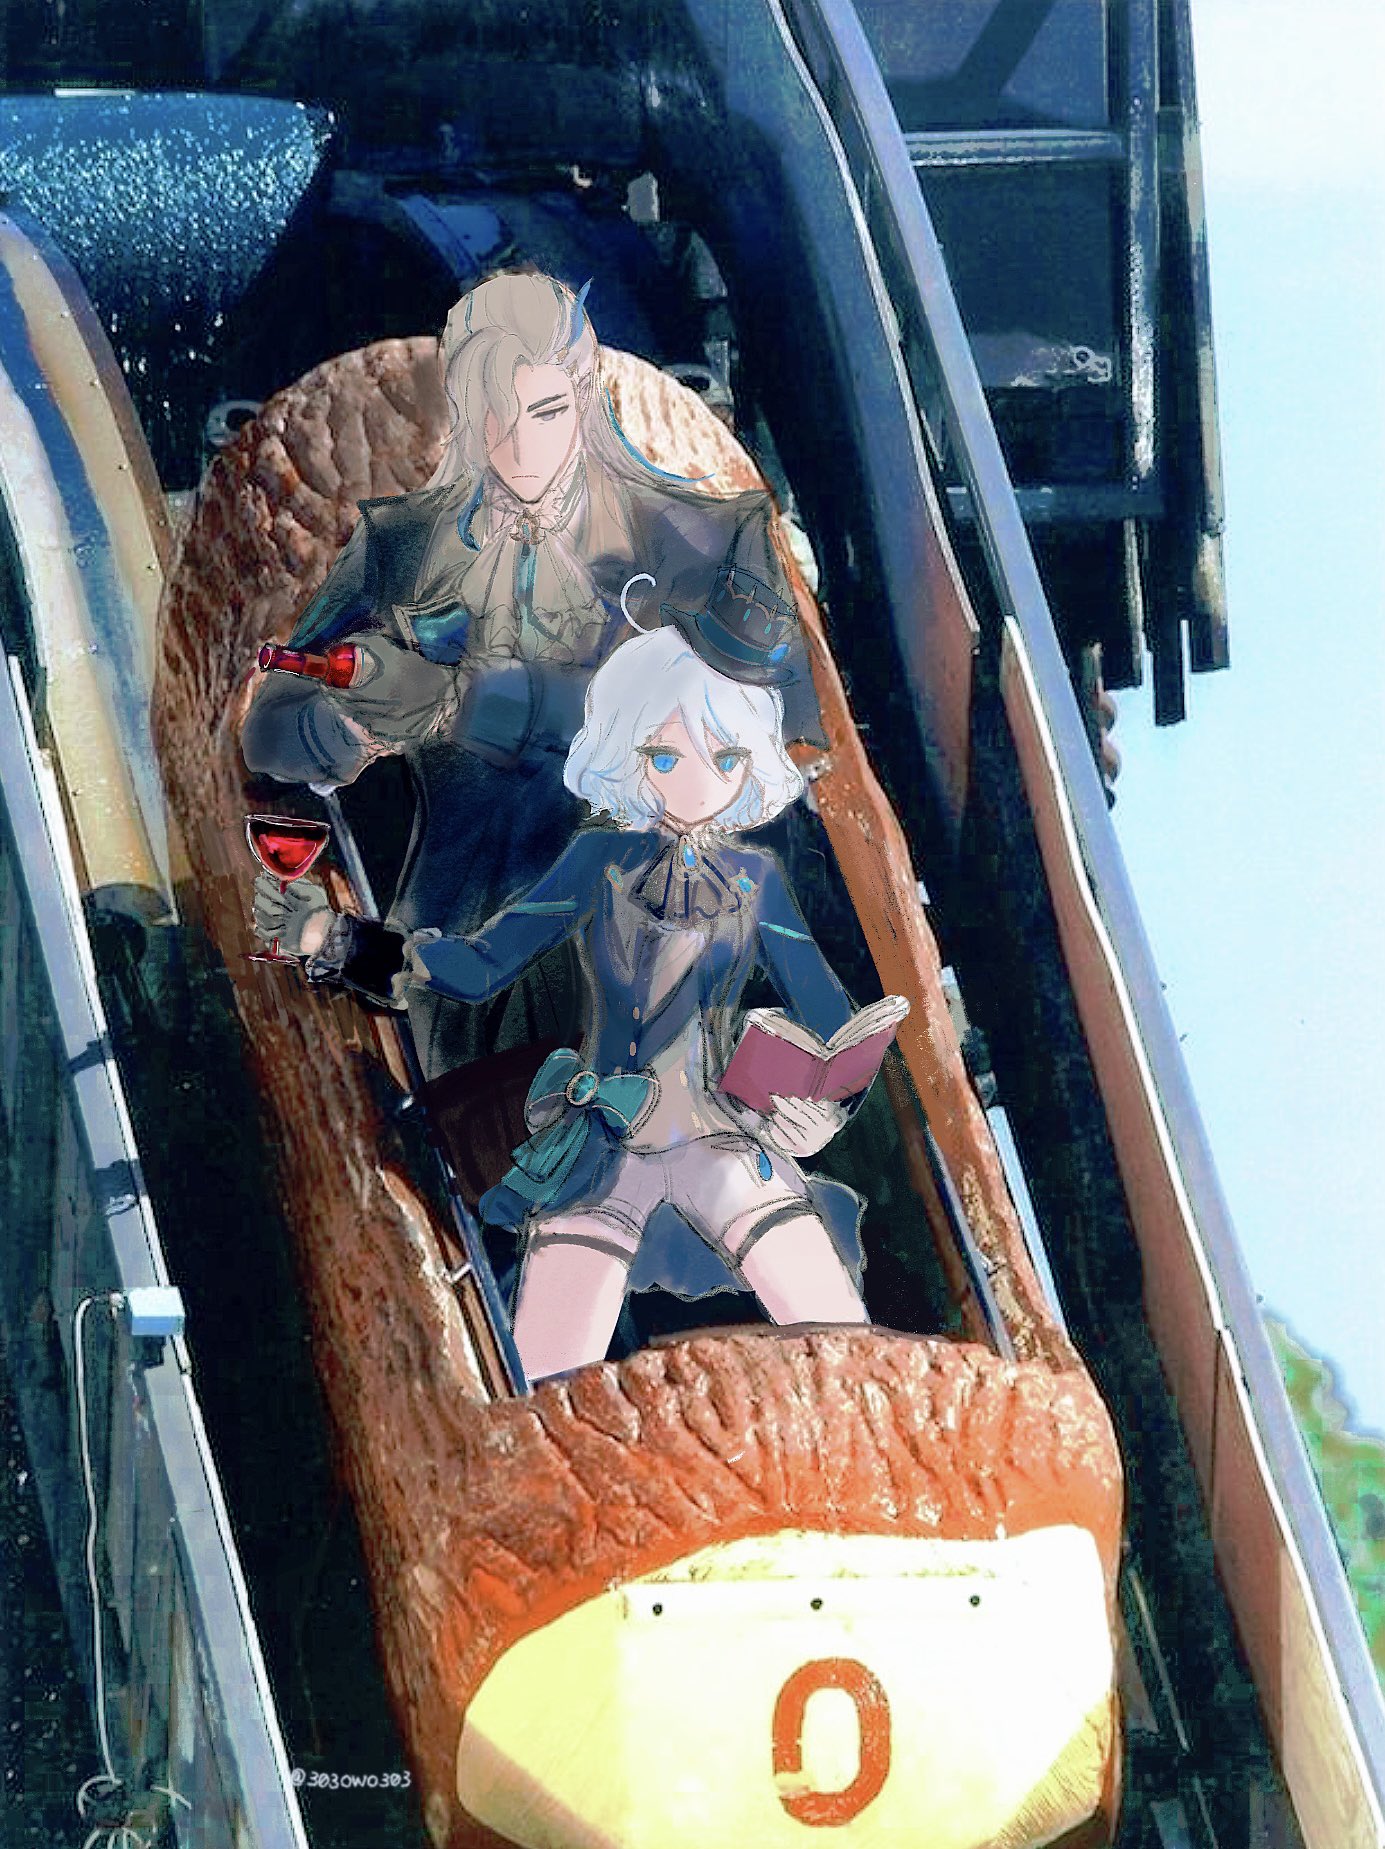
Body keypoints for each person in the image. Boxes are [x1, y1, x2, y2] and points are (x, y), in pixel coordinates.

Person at [255, 620, 902, 1381]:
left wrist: (823, 1106)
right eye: (667, 756)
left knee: (848, 1348)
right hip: (601, 1139)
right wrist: (343, 940)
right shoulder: (599, 858)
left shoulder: (756, 882)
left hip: (722, 1140)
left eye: (724, 757)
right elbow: (482, 964)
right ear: (631, 756)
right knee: (543, 1385)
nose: (696, 782)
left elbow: (832, 1020)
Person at [241, 268, 810, 1081]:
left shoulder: (698, 538)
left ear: (584, 401)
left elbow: (783, 723)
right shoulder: (405, 547)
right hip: (455, 989)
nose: (520, 447)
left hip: (665, 971)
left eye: (545, 412)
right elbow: (264, 734)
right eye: (494, 415)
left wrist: (473, 703)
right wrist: (346, 728)